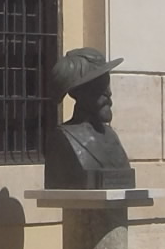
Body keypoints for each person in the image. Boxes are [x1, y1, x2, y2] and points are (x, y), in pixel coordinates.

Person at [44, 47, 136, 190]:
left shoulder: (111, 135)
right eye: (100, 86)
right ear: (78, 92)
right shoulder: (63, 139)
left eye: (108, 83)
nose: (109, 92)